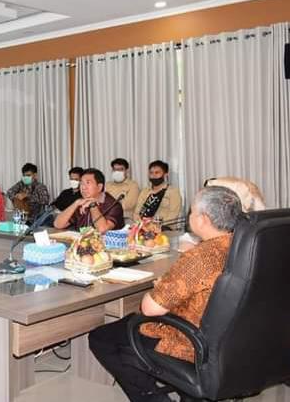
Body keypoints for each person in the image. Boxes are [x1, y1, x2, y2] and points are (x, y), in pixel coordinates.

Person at [89, 186, 242, 402]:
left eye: (192, 211)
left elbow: (150, 309)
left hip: (191, 340)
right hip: (233, 338)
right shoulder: (244, 245)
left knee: (102, 338)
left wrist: (160, 286)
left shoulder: (200, 257)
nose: (189, 215)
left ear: (203, 220)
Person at [53, 168, 123, 233]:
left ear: (99, 187)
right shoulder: (81, 202)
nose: (83, 187)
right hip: (82, 241)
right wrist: (76, 203)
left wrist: (93, 205)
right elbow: (58, 224)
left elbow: (102, 230)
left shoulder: (114, 205)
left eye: (88, 183)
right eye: (81, 183)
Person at [134, 160, 182, 228]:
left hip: (165, 228)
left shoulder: (173, 192)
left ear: (165, 174)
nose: (153, 175)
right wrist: (142, 224)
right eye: (151, 173)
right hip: (144, 227)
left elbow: (173, 215)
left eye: (157, 173)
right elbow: (137, 212)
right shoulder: (145, 191)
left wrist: (154, 224)